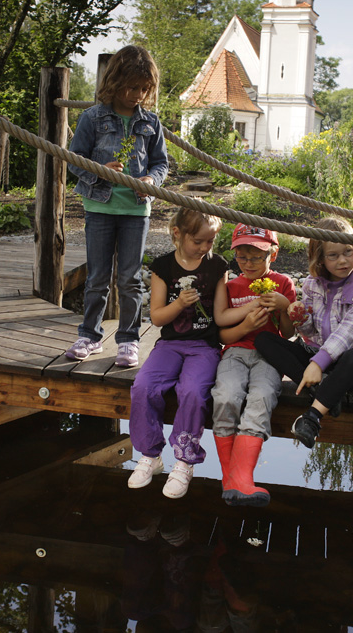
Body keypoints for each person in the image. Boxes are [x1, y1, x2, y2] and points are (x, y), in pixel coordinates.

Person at [64, 45, 168, 368]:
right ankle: (90, 335)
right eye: (131, 86)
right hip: (100, 208)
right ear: (115, 81)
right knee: (97, 275)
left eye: (143, 88)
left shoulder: (150, 122)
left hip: (137, 211)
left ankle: (128, 340)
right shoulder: (92, 118)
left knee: (130, 277)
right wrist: (99, 170)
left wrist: (151, 180)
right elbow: (74, 161)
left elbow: (161, 164)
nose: (137, 94)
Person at [255, 217, 353, 448]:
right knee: (264, 339)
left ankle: (312, 418)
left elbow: (347, 334)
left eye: (348, 251)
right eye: (333, 255)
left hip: (345, 365)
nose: (343, 261)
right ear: (320, 258)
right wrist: (300, 318)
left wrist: (318, 363)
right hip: (315, 355)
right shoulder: (312, 284)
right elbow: (310, 330)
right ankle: (324, 393)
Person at [127, 207, 228, 499]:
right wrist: (180, 304)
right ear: (177, 234)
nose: (205, 247)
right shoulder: (164, 266)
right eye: (198, 241)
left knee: (193, 392)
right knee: (144, 386)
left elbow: (220, 317)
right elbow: (157, 317)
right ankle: (150, 455)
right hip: (170, 344)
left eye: (210, 241)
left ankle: (184, 460)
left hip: (204, 347)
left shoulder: (216, 266)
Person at [211, 224, 295, 507]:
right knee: (225, 396)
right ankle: (231, 478)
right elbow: (222, 334)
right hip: (235, 352)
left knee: (261, 397)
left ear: (273, 253)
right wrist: (246, 323)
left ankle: (240, 477)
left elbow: (289, 333)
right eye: (242, 257)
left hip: (269, 356)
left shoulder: (282, 283)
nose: (248, 264)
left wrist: (284, 307)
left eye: (257, 257)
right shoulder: (230, 287)